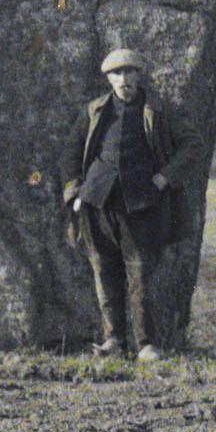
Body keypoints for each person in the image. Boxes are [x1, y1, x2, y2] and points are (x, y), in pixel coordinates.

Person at [60, 49, 200, 361]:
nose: (124, 80)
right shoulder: (95, 110)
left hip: (142, 205)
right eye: (117, 74)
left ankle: (146, 345)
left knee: (141, 277)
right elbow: (70, 153)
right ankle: (113, 341)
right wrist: (75, 192)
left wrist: (165, 178)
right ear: (108, 79)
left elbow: (192, 145)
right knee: (104, 272)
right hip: (97, 205)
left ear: (139, 75)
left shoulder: (159, 110)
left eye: (130, 73)